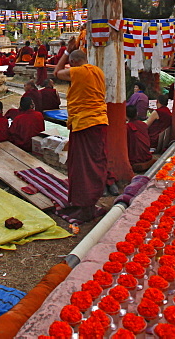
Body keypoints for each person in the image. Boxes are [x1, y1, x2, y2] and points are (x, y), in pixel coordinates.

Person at [54, 38, 112, 223]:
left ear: (74, 63)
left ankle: (86, 207)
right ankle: (82, 203)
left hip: (86, 123)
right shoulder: (97, 72)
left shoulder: (79, 72)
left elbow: (56, 72)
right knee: (84, 164)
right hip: (95, 122)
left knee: (84, 167)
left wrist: (65, 53)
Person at [126, 104, 153, 173]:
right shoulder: (143, 125)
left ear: (125, 116)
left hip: (135, 159)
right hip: (147, 157)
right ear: (137, 114)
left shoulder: (127, 127)